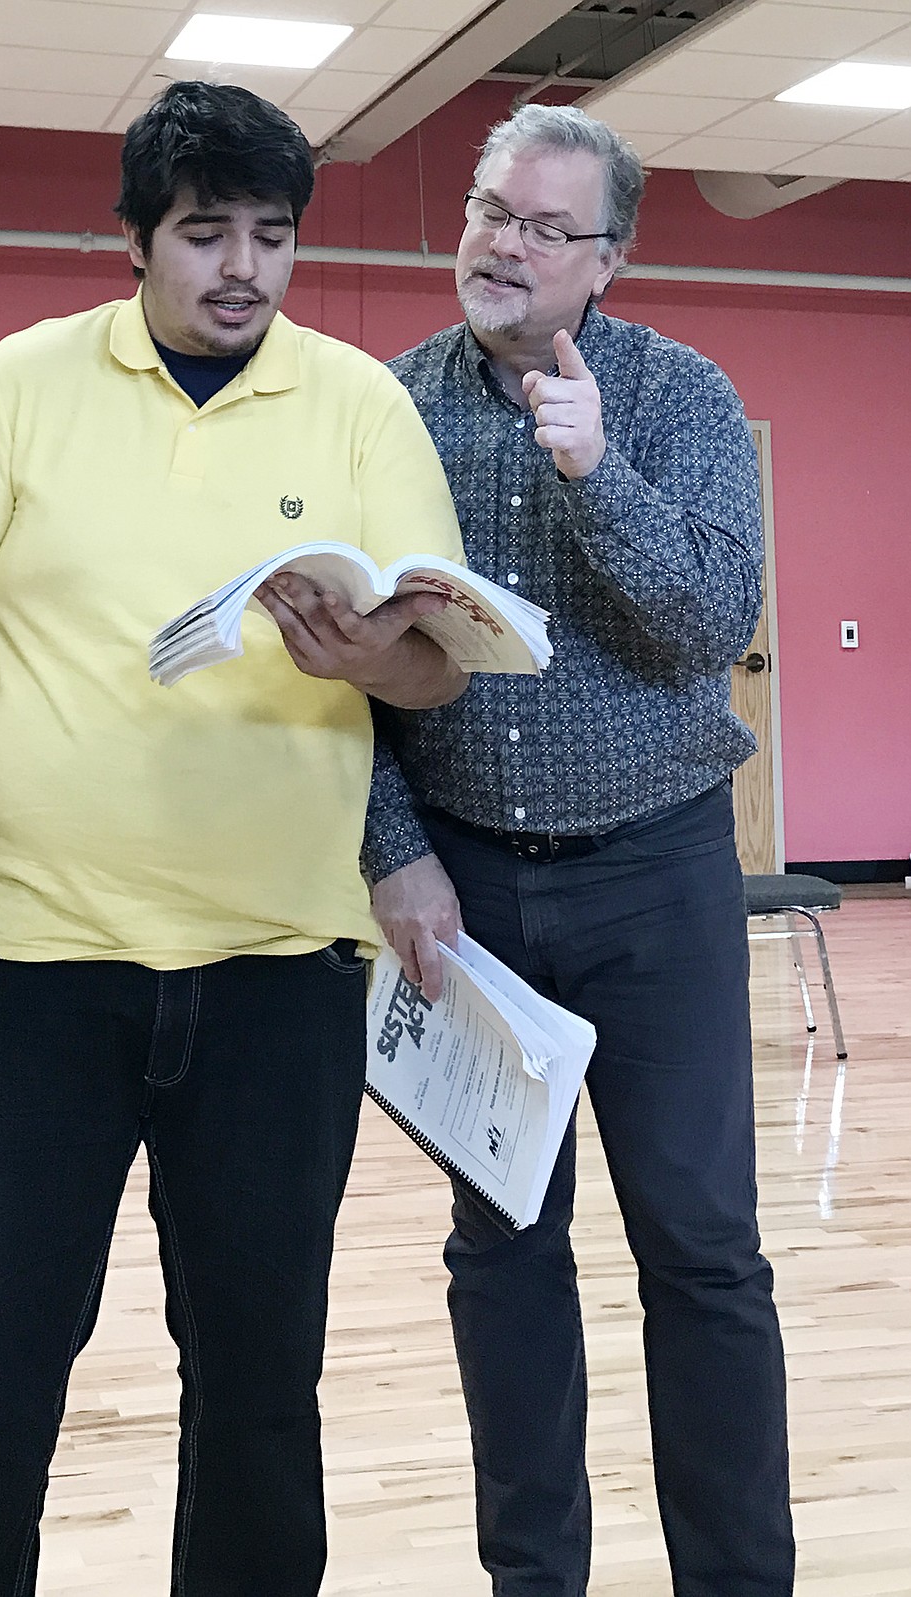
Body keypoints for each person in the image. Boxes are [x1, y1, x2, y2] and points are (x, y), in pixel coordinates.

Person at [0, 80, 468, 1597]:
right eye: (204, 233)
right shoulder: (22, 380)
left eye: (270, 235)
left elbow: (436, 660)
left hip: (281, 975)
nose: (241, 268)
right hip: (34, 970)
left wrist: (367, 661)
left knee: (262, 1384)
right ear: (136, 240)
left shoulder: (357, 402)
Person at [365, 103, 794, 1596]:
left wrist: (593, 470)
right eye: (492, 209)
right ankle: (529, 1579)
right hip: (464, 887)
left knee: (702, 1257)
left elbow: (708, 628)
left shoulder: (679, 397)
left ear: (606, 259)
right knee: (500, 1256)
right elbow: (340, 670)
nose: (504, 243)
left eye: (547, 227)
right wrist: (392, 850)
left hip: (657, 878)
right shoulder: (386, 408)